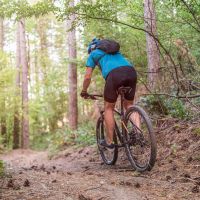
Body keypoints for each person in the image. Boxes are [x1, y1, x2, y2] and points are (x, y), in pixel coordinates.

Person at [80, 38, 137, 149]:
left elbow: (87, 77)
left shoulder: (93, 54)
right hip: (131, 72)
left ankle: (110, 142)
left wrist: (84, 91)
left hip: (114, 75)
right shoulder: (114, 51)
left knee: (109, 108)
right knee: (129, 105)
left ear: (91, 49)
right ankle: (138, 134)